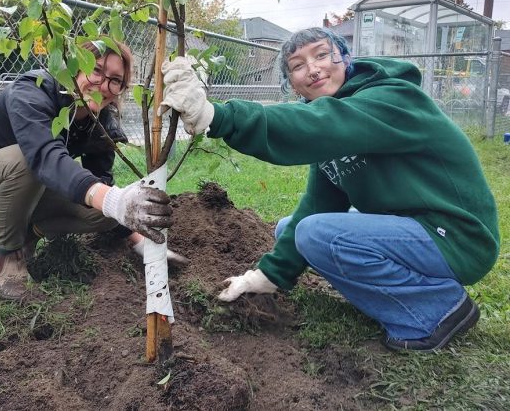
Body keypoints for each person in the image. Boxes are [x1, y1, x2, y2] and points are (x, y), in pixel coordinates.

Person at [160, 27, 499, 352]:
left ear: (346, 58)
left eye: (322, 55)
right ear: (291, 84)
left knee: (316, 234)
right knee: (292, 228)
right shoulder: (334, 128)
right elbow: (319, 203)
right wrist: (265, 276)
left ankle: (435, 312)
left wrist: (217, 116)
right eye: (297, 66)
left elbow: (321, 123)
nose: (313, 69)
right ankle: (424, 291)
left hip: (457, 237)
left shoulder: (392, 96)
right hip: (416, 230)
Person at [0, 41, 182, 301]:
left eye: (115, 80)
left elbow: (100, 183)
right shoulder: (34, 89)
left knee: (105, 212)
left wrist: (139, 240)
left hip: (21, 193)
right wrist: (112, 199)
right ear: (75, 67)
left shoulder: (101, 122)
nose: (103, 84)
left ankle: (32, 233)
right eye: (96, 70)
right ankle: (8, 260)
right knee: (26, 158)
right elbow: (43, 156)